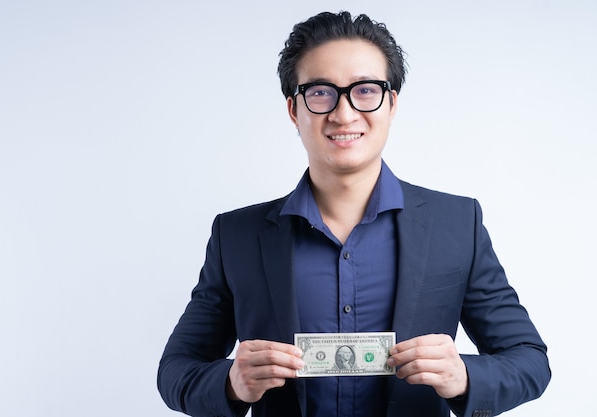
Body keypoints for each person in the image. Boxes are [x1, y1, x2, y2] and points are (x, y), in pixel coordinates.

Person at [157, 10, 550, 417]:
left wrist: (464, 376)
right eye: (321, 92)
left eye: (365, 90)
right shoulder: (236, 235)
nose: (344, 114)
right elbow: (175, 371)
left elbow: (529, 361)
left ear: (391, 103)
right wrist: (231, 383)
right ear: (294, 109)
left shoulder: (456, 224)